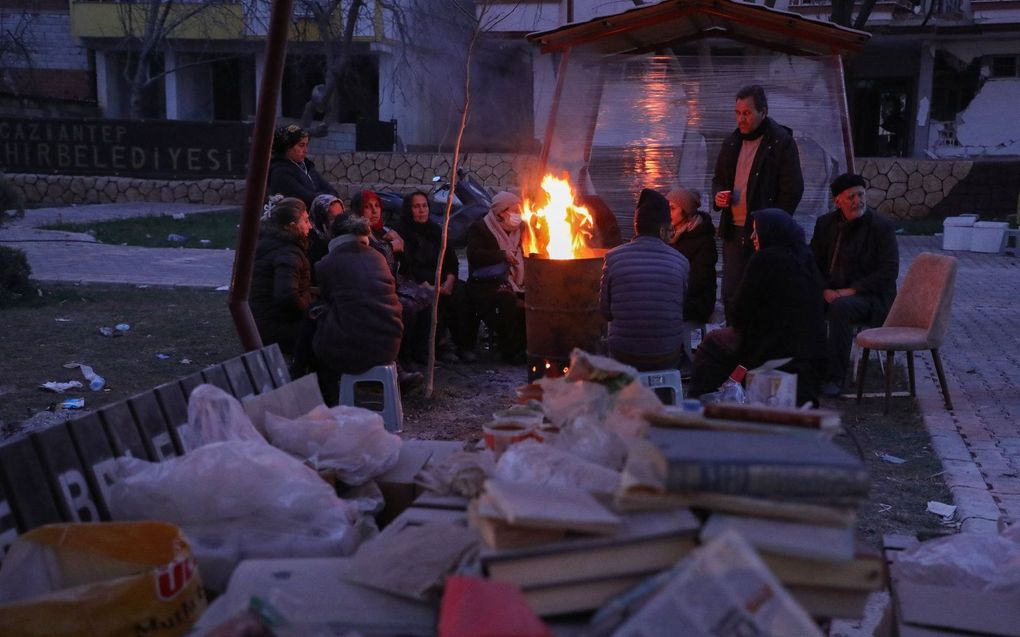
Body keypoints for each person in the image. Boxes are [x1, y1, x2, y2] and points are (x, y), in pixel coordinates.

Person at [689, 209, 826, 406]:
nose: (752, 236)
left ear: (771, 231)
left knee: (713, 342)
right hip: (807, 348)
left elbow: (739, 311)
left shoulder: (765, 259)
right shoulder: (806, 259)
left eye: (756, 231)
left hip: (773, 345)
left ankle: (699, 403)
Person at [712, 85, 804, 322]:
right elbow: (719, 179)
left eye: (747, 113)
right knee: (732, 294)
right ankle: (734, 347)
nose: (741, 119)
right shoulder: (732, 143)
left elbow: (792, 189)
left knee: (762, 294)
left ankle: (758, 351)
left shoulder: (780, 143)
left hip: (763, 235)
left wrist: (774, 225)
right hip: (734, 231)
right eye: (738, 112)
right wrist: (718, 195)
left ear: (763, 112)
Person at [810, 173, 899, 398]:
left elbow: (889, 272)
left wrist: (851, 291)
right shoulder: (825, 224)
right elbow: (812, 264)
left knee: (841, 308)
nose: (857, 201)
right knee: (799, 300)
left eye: (860, 195)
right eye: (851, 197)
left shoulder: (881, 227)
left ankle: (834, 377)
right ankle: (807, 367)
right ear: (837, 201)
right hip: (833, 292)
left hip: (870, 297)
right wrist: (824, 290)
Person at [312, 214, 411, 404]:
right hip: (390, 346)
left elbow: (328, 300)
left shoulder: (326, 264)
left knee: (314, 320)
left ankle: (325, 392)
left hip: (354, 351)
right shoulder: (378, 257)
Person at [599, 189, 689, 371]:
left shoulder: (613, 258)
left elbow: (605, 312)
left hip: (624, 355)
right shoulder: (681, 261)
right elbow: (682, 308)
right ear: (663, 229)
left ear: (636, 225)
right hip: (666, 354)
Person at [396, 190, 479, 362]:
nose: (422, 210)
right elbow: (406, 266)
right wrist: (430, 287)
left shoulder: (434, 230)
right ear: (409, 210)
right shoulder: (402, 232)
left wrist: (449, 280)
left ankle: (464, 345)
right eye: (416, 207)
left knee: (462, 292)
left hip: (442, 280)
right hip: (418, 283)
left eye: (424, 206)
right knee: (430, 299)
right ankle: (439, 346)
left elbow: (451, 259)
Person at [465, 191, 527, 363]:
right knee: (507, 301)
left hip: (515, 281)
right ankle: (510, 351)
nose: (518, 214)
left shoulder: (520, 230)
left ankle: (526, 347)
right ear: (501, 212)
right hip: (487, 284)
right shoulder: (481, 228)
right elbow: (475, 256)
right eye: (514, 210)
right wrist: (502, 255)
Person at [249, 196, 313, 356]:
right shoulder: (288, 252)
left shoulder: (271, 243)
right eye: (305, 221)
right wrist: (309, 308)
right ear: (292, 227)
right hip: (278, 328)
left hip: (263, 323)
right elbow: (287, 297)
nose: (310, 226)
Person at [667, 187, 718, 325]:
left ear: (686, 211)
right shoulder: (669, 234)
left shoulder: (704, 240)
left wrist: (669, 294)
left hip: (696, 301)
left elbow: (699, 280)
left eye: (672, 208)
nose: (667, 213)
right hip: (674, 294)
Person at [267, 124, 338, 208]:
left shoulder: (307, 166)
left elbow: (332, 192)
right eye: (301, 145)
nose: (305, 150)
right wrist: (325, 197)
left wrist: (327, 198)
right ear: (287, 147)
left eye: (306, 145)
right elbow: (307, 198)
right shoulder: (279, 172)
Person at [307, 193, 345, 272]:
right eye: (333, 219)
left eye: (340, 216)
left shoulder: (343, 238)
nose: (339, 222)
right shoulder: (310, 243)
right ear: (321, 220)